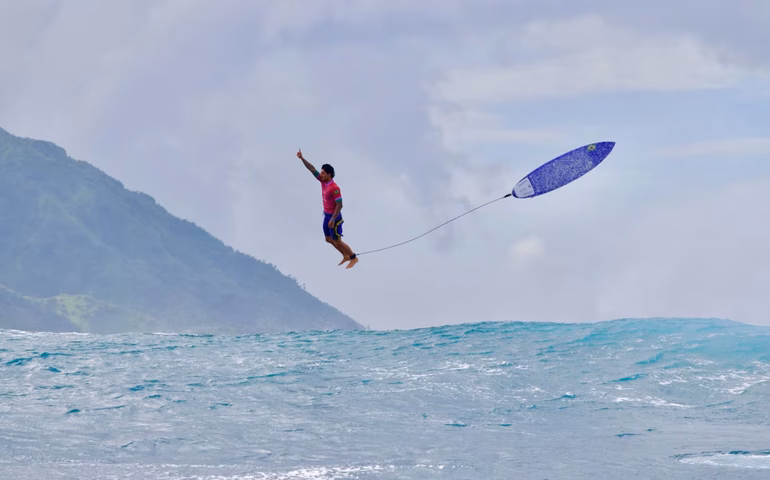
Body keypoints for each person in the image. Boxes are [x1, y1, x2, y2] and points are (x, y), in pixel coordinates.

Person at [296, 149, 359, 269]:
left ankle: (353, 257)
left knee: (337, 241)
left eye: (323, 173)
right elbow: (311, 169)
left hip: (334, 217)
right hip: (327, 215)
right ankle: (345, 255)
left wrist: (333, 219)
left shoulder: (334, 188)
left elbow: (340, 205)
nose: (321, 174)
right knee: (328, 239)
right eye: (321, 172)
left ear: (329, 174)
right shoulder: (322, 181)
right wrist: (302, 159)